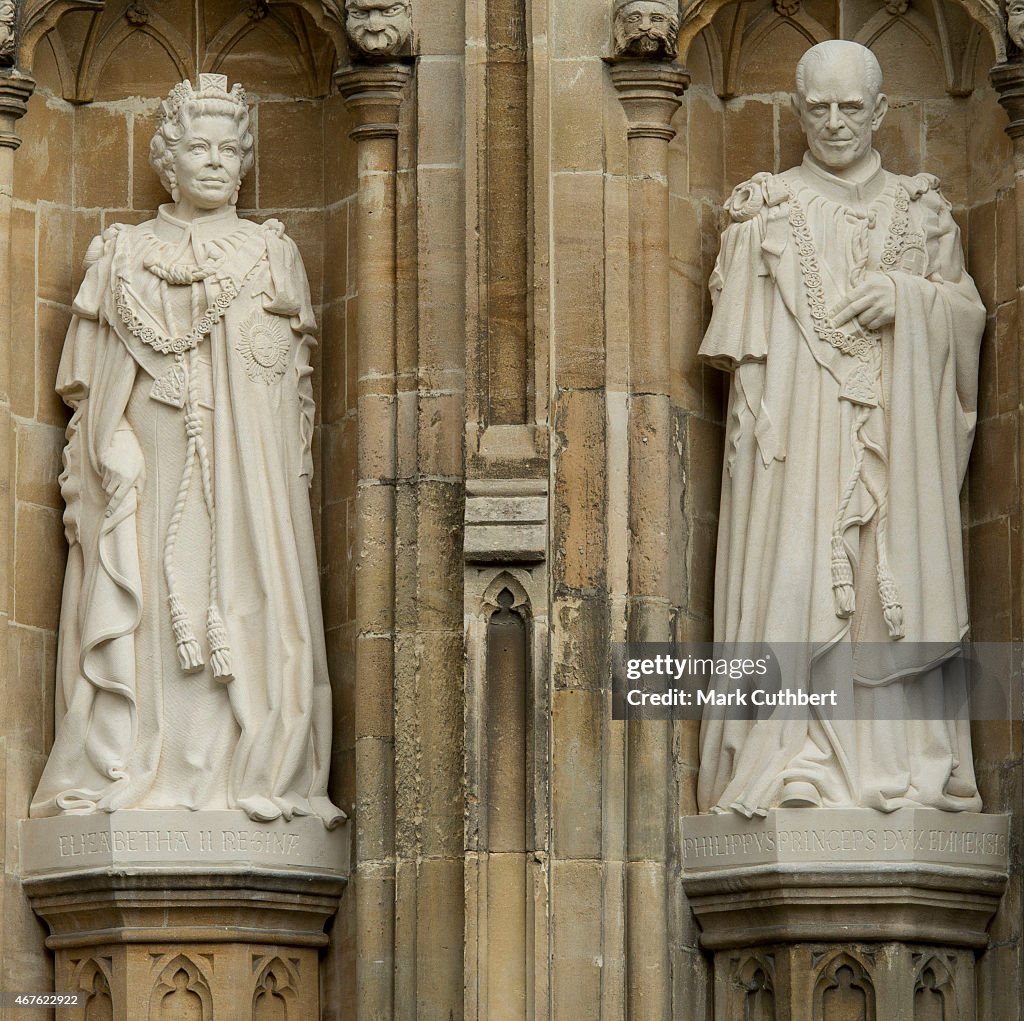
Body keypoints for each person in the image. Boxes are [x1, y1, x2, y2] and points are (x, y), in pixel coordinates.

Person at [31, 75, 343, 827]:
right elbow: (89, 386)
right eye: (198, 147)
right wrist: (115, 444)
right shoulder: (123, 255)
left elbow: (292, 389)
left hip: (245, 472)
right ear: (167, 159)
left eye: (229, 149)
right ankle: (136, 766)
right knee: (149, 619)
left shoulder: (272, 253)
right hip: (151, 460)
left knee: (244, 603)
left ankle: (249, 771)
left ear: (245, 161)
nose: (215, 161)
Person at [696, 41, 985, 816]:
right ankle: (793, 752)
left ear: (882, 111)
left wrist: (908, 300)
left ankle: (902, 759)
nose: (834, 122)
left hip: (898, 443)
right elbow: (742, 355)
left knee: (887, 593)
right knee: (793, 582)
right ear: (795, 110)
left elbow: (967, 319)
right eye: (818, 107)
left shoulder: (922, 214)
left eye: (850, 107)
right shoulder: (766, 210)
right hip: (798, 452)